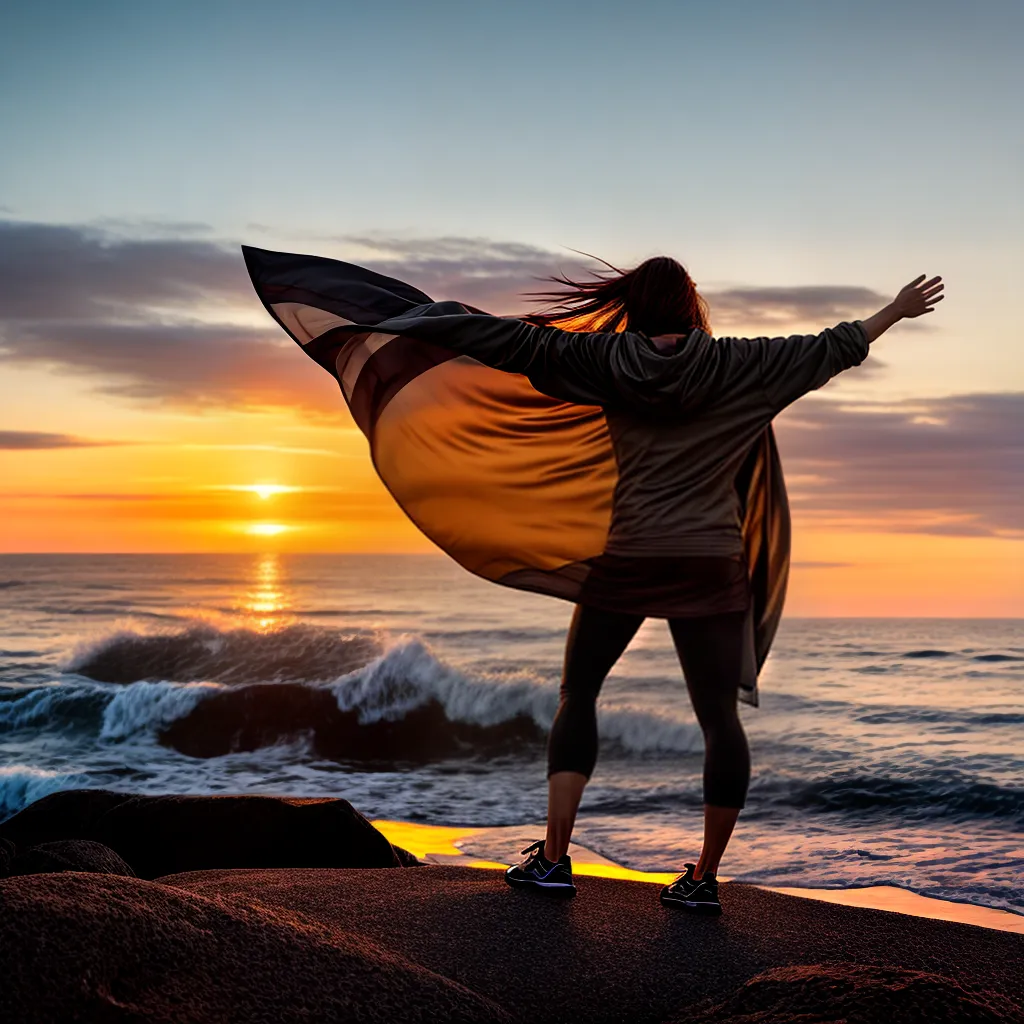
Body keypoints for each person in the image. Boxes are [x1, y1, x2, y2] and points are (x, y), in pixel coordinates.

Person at [241, 245, 943, 914]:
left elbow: (501, 341)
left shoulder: (603, 359)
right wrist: (897, 309)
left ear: (632, 306)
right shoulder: (743, 366)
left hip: (629, 555)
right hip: (710, 563)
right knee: (718, 720)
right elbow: (834, 346)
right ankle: (703, 879)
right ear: (692, 307)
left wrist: (411, 318)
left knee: (580, 693)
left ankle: (553, 859)